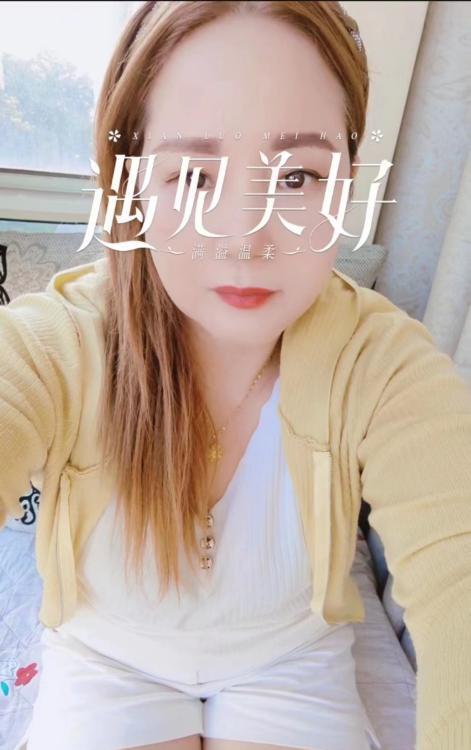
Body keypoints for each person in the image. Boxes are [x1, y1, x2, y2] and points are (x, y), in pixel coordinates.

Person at [2, 2, 470, 750]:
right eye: (192, 174)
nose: (245, 237)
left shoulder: (380, 364)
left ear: (346, 181)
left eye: (296, 175)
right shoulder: (59, 345)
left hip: (290, 658)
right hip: (104, 659)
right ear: (132, 185)